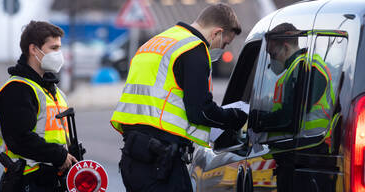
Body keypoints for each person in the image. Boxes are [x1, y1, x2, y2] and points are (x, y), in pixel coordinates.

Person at [110, 3, 247, 192]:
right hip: (160, 161)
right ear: (216, 33)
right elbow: (200, 112)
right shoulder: (193, 49)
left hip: (133, 157)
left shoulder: (154, 43)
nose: (221, 49)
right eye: (224, 44)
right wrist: (236, 117)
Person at [0, 21, 77, 192]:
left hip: (54, 180)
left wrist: (71, 155)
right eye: (53, 48)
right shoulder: (16, 89)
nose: (59, 54)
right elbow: (19, 139)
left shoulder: (53, 90)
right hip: (27, 181)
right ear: (34, 49)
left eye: (59, 48)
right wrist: (59, 155)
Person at [256, 23, 334, 192]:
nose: (272, 60)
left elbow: (289, 116)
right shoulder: (294, 69)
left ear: (285, 47)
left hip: (308, 158)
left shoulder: (307, 68)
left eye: (273, 54)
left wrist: (260, 119)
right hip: (297, 158)